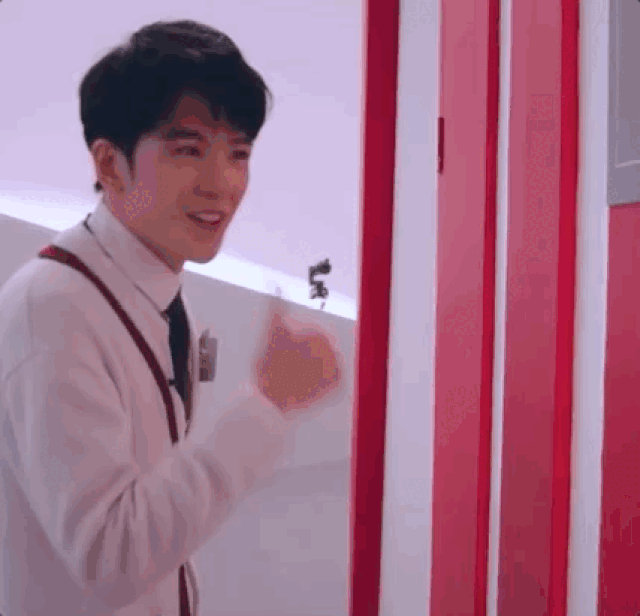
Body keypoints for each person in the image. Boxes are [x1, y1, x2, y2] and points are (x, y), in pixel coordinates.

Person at [0, 19, 342, 616]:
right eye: (188, 150)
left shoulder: (156, 292)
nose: (222, 184)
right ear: (110, 164)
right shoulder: (52, 308)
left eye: (238, 153)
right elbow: (111, 557)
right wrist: (268, 404)